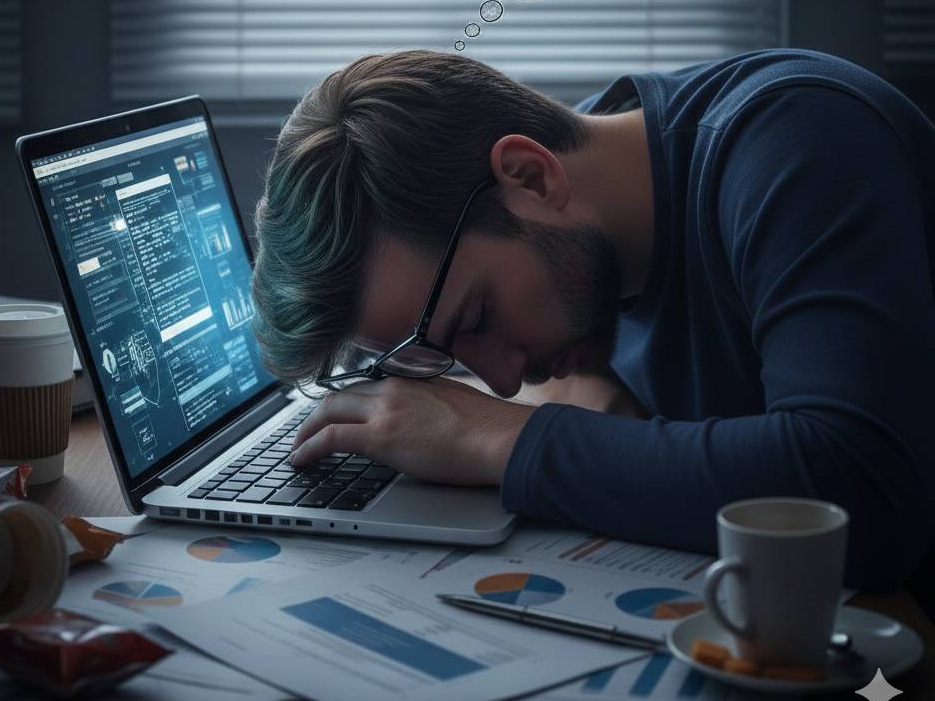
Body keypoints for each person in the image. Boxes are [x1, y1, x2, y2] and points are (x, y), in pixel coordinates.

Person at [251, 48, 935, 589]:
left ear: (531, 175)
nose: (505, 379)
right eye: (440, 354)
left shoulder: (799, 141)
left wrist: (503, 439)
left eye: (477, 317)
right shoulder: (579, 205)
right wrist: (584, 382)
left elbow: (862, 496)